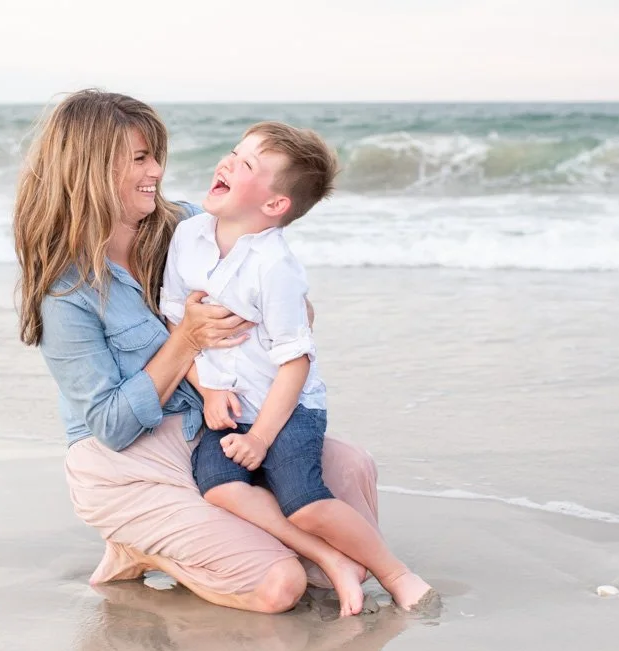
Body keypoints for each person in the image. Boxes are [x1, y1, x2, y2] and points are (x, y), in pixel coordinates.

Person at [13, 90, 384, 614]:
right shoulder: (66, 292)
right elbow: (111, 425)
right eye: (140, 158)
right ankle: (141, 545)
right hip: (123, 459)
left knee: (353, 468)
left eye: (156, 155)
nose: (158, 171)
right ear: (92, 169)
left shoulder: (188, 226)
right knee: (280, 586)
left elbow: (292, 312)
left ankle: (253, 538)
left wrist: (285, 312)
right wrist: (185, 337)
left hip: (210, 426)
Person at [161, 122, 436, 616]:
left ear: (274, 205)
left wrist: (262, 438)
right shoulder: (188, 236)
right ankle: (333, 559)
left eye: (245, 164)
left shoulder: (275, 266)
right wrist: (206, 391)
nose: (225, 163)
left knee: (303, 500)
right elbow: (176, 319)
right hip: (226, 403)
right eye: (231, 152)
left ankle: (396, 573)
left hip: (285, 407)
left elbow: (295, 362)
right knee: (219, 486)